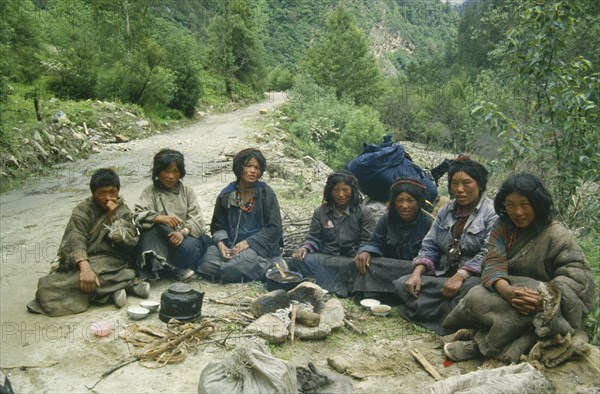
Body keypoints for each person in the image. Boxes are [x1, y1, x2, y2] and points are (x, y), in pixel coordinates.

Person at [442, 173, 595, 366]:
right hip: (511, 292)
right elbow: (493, 261)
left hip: (543, 304)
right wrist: (506, 290)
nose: (518, 212)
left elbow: (577, 278)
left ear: (537, 203)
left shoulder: (557, 234)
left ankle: (482, 346)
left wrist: (546, 300)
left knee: (525, 313)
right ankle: (487, 340)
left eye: (525, 204)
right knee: (476, 295)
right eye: (510, 204)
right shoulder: (503, 226)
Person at [393, 157, 498, 334]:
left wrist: (460, 276)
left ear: (480, 185)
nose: (459, 189)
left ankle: (432, 313)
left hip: (471, 279)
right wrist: (417, 273)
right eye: (454, 183)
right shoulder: (446, 211)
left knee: (472, 293)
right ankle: (449, 316)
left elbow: (489, 252)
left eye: (466, 183)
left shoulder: (493, 213)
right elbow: (430, 245)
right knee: (403, 283)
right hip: (443, 276)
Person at [27, 168, 149, 316]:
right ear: (93, 193)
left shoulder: (123, 210)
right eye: (101, 193)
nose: (107, 198)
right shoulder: (82, 210)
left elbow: (131, 242)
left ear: (118, 191)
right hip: (83, 259)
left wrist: (114, 218)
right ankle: (121, 284)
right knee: (47, 287)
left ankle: (114, 286)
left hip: (113, 260)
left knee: (73, 283)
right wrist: (85, 269)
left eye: (112, 192)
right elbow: (76, 238)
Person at [197, 148, 283, 283]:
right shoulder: (226, 195)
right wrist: (221, 244)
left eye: (257, 168)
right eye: (249, 166)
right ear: (239, 167)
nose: (253, 171)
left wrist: (248, 242)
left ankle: (232, 269)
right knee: (209, 259)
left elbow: (274, 227)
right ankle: (258, 269)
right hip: (231, 245)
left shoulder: (266, 193)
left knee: (247, 258)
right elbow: (218, 226)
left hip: (257, 246)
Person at [289, 170, 376, 297]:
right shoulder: (321, 212)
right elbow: (314, 238)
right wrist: (304, 248)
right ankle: (341, 286)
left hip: (352, 260)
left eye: (345, 189)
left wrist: (364, 252)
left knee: (371, 265)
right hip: (327, 258)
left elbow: (367, 241)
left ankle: (326, 284)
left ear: (352, 190)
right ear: (330, 191)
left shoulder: (364, 212)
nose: (341, 194)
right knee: (300, 260)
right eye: (336, 190)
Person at [134, 149, 208, 281]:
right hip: (159, 239)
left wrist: (183, 232)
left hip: (182, 239)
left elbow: (197, 219)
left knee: (192, 249)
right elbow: (138, 215)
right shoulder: (150, 191)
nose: (171, 176)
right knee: (147, 233)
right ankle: (169, 269)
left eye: (175, 171)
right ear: (158, 172)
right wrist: (159, 218)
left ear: (181, 173)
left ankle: (170, 268)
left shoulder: (187, 191)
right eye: (166, 171)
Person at [353, 178, 434, 299]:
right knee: (369, 263)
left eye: (410, 200)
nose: (404, 206)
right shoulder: (386, 219)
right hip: (389, 266)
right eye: (399, 200)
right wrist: (366, 251)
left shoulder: (429, 223)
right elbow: (376, 243)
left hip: (412, 269)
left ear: (419, 202)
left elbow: (432, 253)